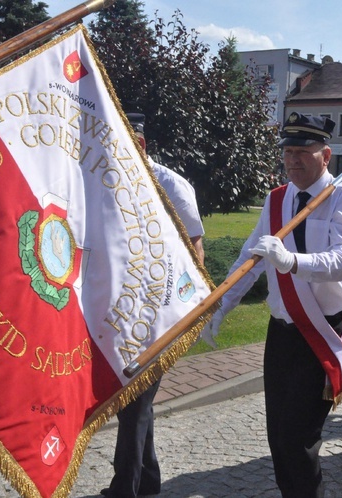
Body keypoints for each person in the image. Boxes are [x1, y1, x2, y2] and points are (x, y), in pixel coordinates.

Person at [203, 112, 342, 497]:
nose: (293, 160)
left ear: (326, 155)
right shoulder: (277, 199)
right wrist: (223, 305)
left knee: (299, 439)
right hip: (281, 334)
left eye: (303, 152)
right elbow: (251, 256)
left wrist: (293, 262)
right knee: (278, 438)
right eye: (288, 152)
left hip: (321, 332)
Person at [102, 114, 206, 498]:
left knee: (134, 400)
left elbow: (196, 254)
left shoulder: (172, 187)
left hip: (160, 313)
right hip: (120, 312)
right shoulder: (108, 178)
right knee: (134, 403)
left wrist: (177, 314)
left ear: (141, 145)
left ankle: (125, 488)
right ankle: (148, 480)